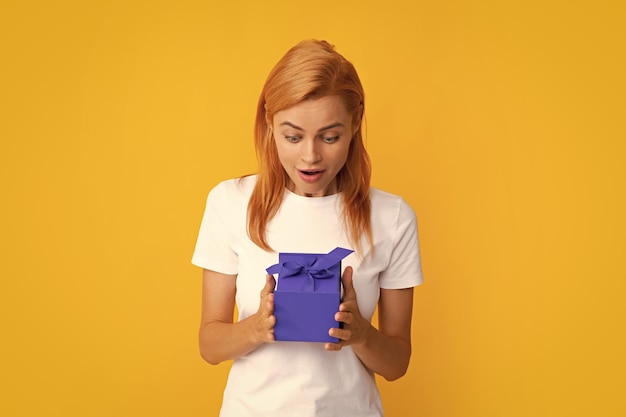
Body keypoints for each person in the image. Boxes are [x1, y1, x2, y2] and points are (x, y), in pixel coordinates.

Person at [192, 39, 423, 417]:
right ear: (269, 124)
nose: (310, 156)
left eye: (330, 137)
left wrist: (360, 333)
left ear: (355, 123)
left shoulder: (392, 217)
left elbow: (397, 363)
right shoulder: (230, 203)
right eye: (293, 136)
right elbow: (209, 344)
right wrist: (255, 327)